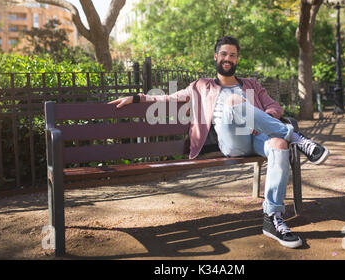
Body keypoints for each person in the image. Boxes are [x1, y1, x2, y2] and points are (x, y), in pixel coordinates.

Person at [109, 36, 329, 249]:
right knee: (236, 101)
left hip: (256, 137)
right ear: (216, 57)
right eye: (224, 54)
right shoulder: (200, 86)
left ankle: (272, 217)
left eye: (232, 55)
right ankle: (297, 138)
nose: (228, 58)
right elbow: (168, 99)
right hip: (231, 142)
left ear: (237, 60)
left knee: (279, 144)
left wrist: (262, 117)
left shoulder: (252, 84)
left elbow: (275, 108)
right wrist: (137, 97)